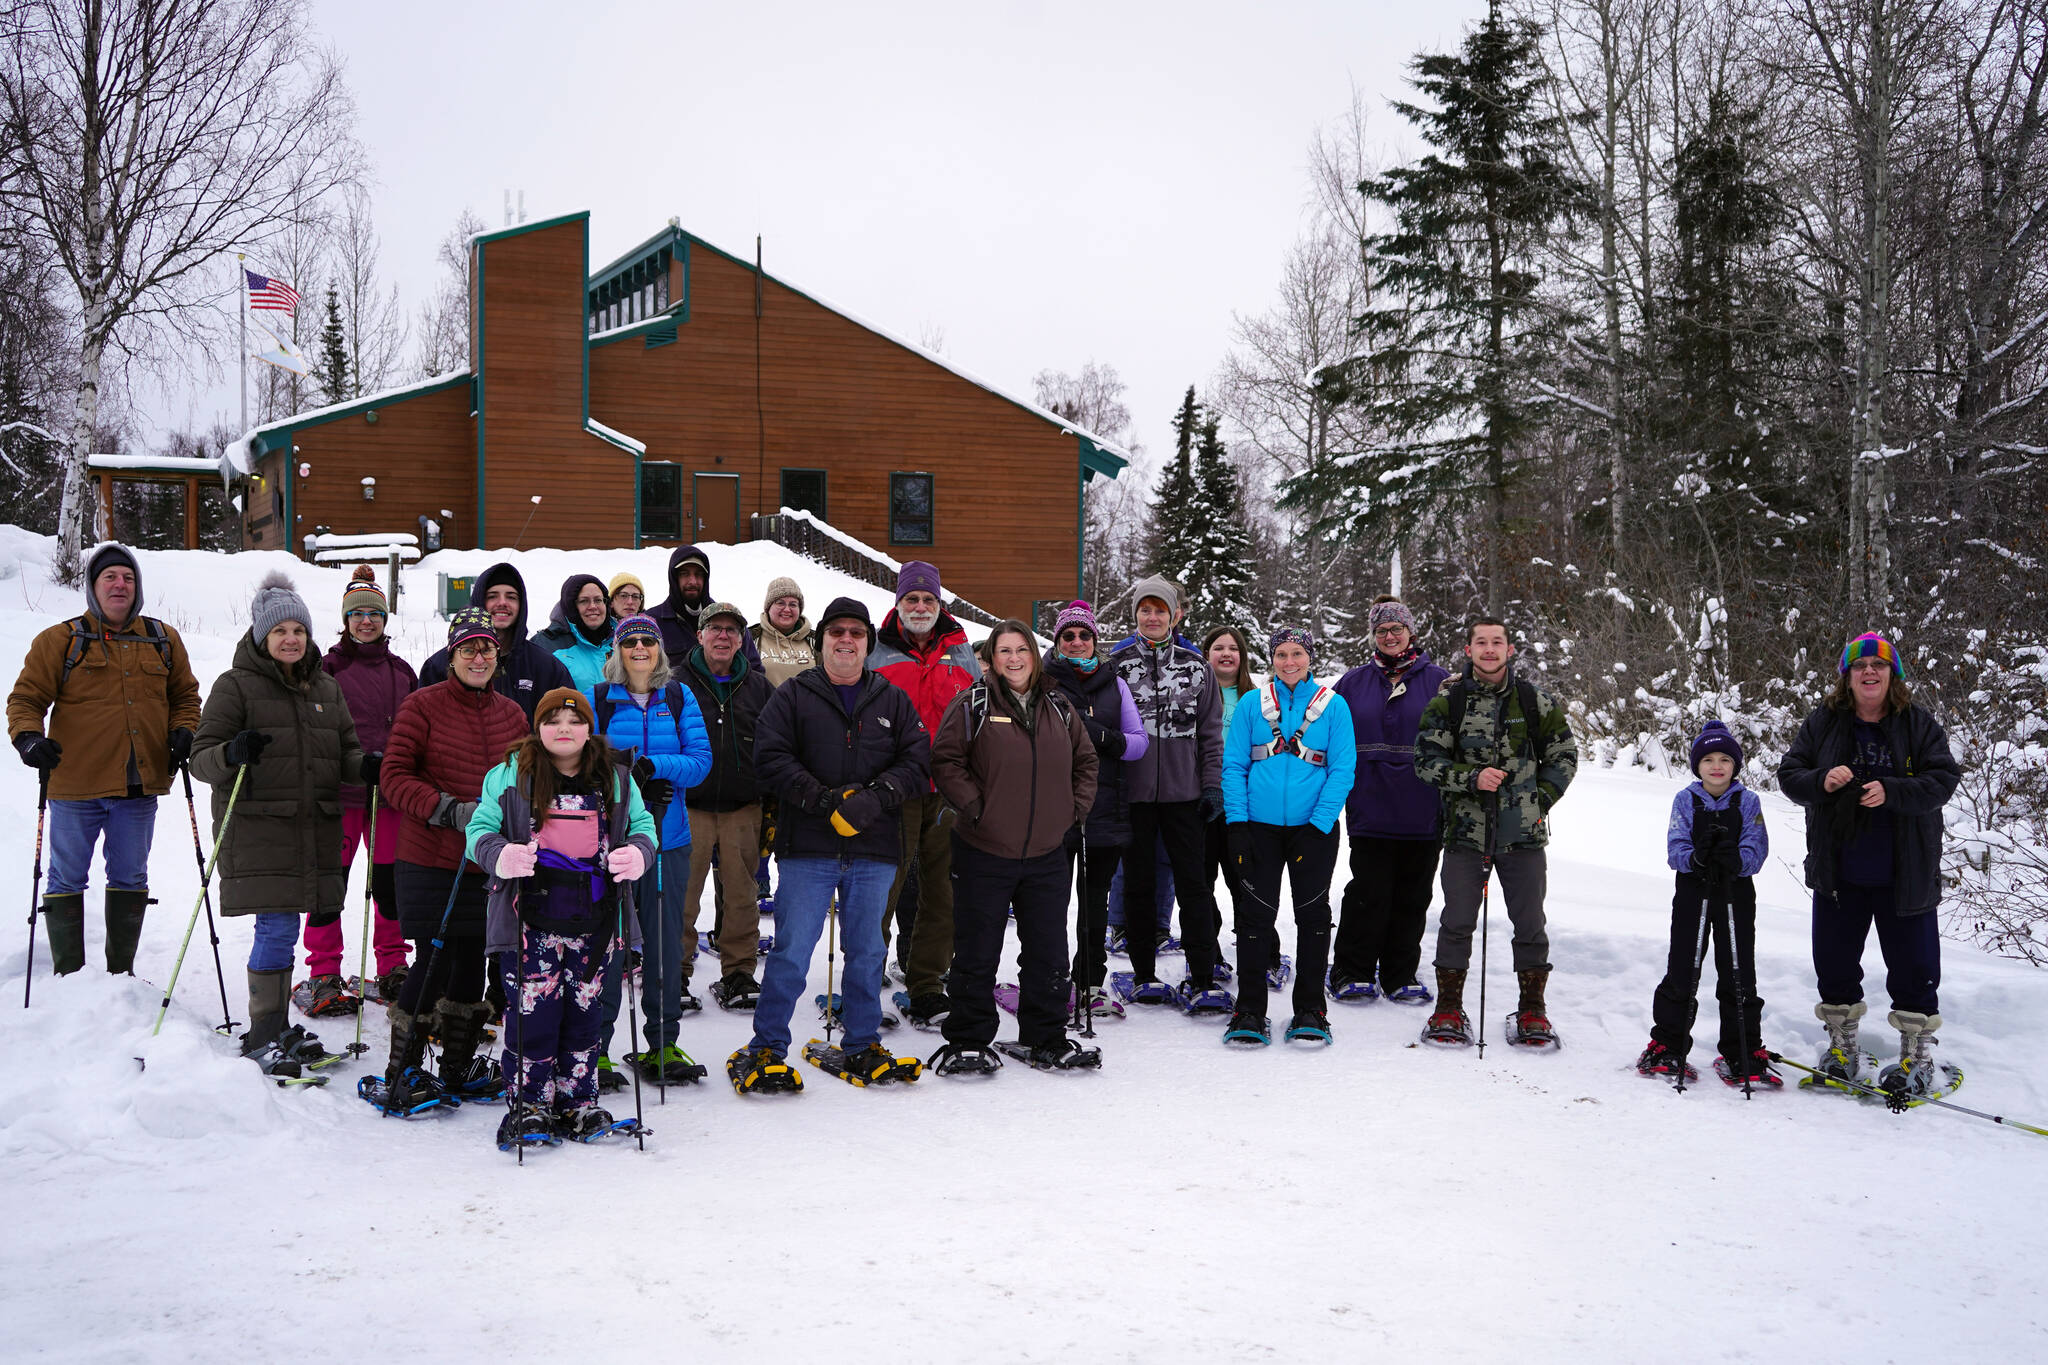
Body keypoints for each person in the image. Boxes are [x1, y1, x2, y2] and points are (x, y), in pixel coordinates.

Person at [733, 597, 930, 1092]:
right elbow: (770, 756)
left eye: (856, 633)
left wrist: (874, 800)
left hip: (875, 847)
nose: (846, 640)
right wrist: (824, 802)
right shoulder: (794, 696)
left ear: (868, 642)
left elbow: (917, 760)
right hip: (809, 847)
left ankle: (861, 1042)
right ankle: (767, 1046)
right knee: (793, 949)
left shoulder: (892, 698)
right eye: (837, 631)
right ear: (821, 640)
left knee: (867, 952)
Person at [188, 573, 364, 1076]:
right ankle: (265, 1029)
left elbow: (345, 751)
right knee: (278, 925)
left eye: (299, 631)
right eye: (281, 630)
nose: (291, 639)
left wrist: (365, 767)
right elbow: (202, 758)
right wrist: (231, 751)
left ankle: (278, 1026)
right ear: (262, 636)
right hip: (260, 830)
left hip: (313, 829)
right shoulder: (234, 685)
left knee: (291, 923)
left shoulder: (326, 687)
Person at [468, 688, 657, 1148]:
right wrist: (500, 854)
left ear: (588, 727)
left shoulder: (616, 777)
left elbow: (643, 826)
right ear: (538, 728)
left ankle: (578, 1101)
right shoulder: (510, 774)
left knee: (585, 1014)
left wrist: (638, 854)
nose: (564, 729)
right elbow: (479, 828)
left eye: (573, 720)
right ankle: (528, 1104)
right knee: (533, 1014)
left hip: (595, 919)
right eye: (552, 721)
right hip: (526, 920)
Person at [1779, 632, 1961, 1097]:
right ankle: (1843, 1049)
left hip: (1906, 874)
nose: (1869, 672)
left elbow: (1943, 780)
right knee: (1835, 965)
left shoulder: (1917, 723)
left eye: (1878, 665)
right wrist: (1822, 779)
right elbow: (1790, 775)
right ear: (1847, 676)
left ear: (1892, 674)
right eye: (1859, 666)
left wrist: (1894, 791)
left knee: (1915, 968)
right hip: (1839, 872)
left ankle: (1917, 1057)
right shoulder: (1824, 722)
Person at [8, 541, 201, 977]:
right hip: (76, 785)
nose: (120, 585)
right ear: (94, 588)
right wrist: (28, 739)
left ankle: (120, 978)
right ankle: (68, 975)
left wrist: (185, 730)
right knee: (66, 880)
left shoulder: (162, 639)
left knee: (131, 879)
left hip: (139, 788)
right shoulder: (61, 639)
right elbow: (25, 698)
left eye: (128, 578)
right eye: (110, 577)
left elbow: (186, 696)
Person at [372, 606, 532, 1112]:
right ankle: (404, 1069)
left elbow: (523, 779)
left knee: (471, 962)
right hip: (431, 856)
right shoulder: (422, 705)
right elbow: (394, 776)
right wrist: (447, 809)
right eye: (468, 648)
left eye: (486, 647)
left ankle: (457, 1066)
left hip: (486, 862)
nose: (479, 656)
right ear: (451, 655)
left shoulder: (511, 714)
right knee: (434, 959)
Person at [929, 620, 1100, 1072]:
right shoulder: (974, 704)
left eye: (1021, 649)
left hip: (1046, 852)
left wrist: (1073, 810)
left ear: (1034, 654)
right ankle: (968, 1036)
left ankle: (1046, 1036)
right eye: (1004, 651)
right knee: (977, 949)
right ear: (993, 658)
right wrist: (976, 808)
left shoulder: (1060, 707)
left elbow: (1085, 761)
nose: (1014, 659)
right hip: (983, 849)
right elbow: (946, 761)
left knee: (1048, 951)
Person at [1413, 618, 1579, 1047]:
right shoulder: (1449, 702)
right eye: (1481, 642)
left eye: (1497, 642)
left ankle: (1533, 1009)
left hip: (1523, 837)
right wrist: (1470, 779)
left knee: (1530, 924)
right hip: (1465, 835)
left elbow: (1563, 755)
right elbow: (1425, 761)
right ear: (1468, 649)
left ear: (1509, 649)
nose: (1489, 650)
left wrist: (1538, 800)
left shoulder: (1534, 700)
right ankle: (1449, 1006)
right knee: (1456, 923)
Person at [587, 612, 713, 1086]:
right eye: (630, 642)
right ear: (616, 651)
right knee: (609, 948)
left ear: (660, 650)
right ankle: (594, 1048)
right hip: (611, 844)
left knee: (662, 945)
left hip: (668, 837)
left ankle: (663, 1043)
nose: (640, 649)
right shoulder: (599, 700)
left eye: (648, 641)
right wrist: (621, 777)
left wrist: (656, 768)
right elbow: (580, 760)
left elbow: (700, 762)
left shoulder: (678, 697)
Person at [1219, 627, 1355, 1046]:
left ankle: (1311, 1009)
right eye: (1281, 654)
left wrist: (1320, 824)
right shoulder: (1250, 705)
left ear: (1309, 658)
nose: (1289, 662)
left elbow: (1342, 769)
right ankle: (1249, 1010)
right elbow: (1234, 766)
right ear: (1271, 659)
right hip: (1258, 827)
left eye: (1297, 653)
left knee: (1313, 916)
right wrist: (1237, 824)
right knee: (1255, 917)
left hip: (1311, 829)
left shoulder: (1333, 707)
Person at [1108, 575, 1228, 1010]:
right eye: (1145, 609)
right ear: (1136, 614)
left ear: (1176, 614)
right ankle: (1143, 973)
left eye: (1161, 609)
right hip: (1132, 797)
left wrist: (1211, 785)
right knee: (1137, 886)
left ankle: (1201, 975)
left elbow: (1211, 734)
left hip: (1185, 796)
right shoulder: (1116, 664)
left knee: (1194, 886)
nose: (1153, 616)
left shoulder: (1197, 667)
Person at [869, 562, 980, 1029]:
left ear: (940, 605)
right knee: (881, 890)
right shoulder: (875, 650)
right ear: (899, 603)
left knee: (942, 892)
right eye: (912, 599)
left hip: (946, 792)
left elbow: (978, 713)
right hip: (893, 789)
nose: (920, 607)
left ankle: (928, 985)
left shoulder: (961, 652)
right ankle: (864, 980)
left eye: (928, 600)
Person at [1329, 597, 1451, 1004]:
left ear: (1410, 632)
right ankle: (1352, 969)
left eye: (1397, 629)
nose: (1390, 636)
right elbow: (1326, 736)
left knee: (1413, 895)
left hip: (1422, 809)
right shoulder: (1352, 683)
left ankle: (1400, 972)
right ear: (1374, 636)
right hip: (1370, 806)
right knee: (1368, 891)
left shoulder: (1440, 681)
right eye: (1382, 630)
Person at [1636, 720, 1772, 1084]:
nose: (1716, 766)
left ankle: (1742, 1048)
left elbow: (1757, 846)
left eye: (1724, 759)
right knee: (1683, 966)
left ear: (1735, 766)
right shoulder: (1686, 799)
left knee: (1738, 969)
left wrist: (1737, 859)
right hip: (1694, 891)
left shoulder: (1748, 800)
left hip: (1735, 893)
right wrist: (1695, 858)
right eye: (1708, 759)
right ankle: (1667, 1044)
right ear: (1697, 765)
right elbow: (1675, 845)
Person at [314, 565, 418, 1014]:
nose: (366, 621)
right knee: (330, 885)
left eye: (374, 612)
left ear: (384, 619)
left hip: (390, 797)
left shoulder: (402, 671)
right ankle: (323, 971)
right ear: (346, 619)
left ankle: (393, 964)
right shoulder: (326, 669)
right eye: (357, 613)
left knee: (391, 884)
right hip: (341, 795)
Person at [1043, 601, 1148, 1019]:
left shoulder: (1113, 683)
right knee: (1048, 900)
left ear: (1094, 640)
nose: (1077, 641)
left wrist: (1100, 737)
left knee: (1094, 902)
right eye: (1068, 635)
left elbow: (1137, 743)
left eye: (1084, 635)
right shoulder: (1043, 680)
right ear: (1058, 641)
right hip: (1052, 808)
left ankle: (1088, 980)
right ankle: (1048, 978)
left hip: (1105, 807)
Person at [676, 601, 773, 1012]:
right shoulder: (674, 683)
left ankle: (738, 973)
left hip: (742, 807)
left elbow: (775, 746)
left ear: (741, 639)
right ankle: (675, 973)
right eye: (714, 628)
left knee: (741, 894)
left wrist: (771, 804)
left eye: (732, 630)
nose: (723, 636)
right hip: (688, 805)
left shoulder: (759, 687)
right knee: (683, 894)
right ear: (699, 635)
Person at [418, 562, 572, 721]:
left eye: (511, 597)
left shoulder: (546, 666)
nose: (502, 603)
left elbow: (568, 725)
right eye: (492, 596)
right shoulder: (439, 665)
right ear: (479, 601)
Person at [1201, 625, 1257, 974]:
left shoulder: (1256, 698)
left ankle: (1261, 951)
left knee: (1246, 883)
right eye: (1218, 647)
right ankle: (1208, 954)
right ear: (1206, 656)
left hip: (1243, 807)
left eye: (1233, 648)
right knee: (1201, 885)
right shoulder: (1196, 695)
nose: (1226, 653)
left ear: (1243, 656)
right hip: (1202, 804)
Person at [649, 543, 762, 670]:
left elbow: (755, 670)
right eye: (685, 574)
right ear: (674, 578)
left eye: (698, 574)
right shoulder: (652, 622)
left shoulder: (730, 619)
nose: (693, 581)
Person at [536, 574, 614, 693]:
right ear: (571, 606)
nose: (593, 606)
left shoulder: (623, 641)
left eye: (598, 600)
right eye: (584, 601)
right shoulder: (545, 645)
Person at [751, 576, 815, 688]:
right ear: (768, 608)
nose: (787, 609)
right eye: (780, 603)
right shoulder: (750, 638)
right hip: (765, 705)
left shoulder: (816, 640)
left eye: (793, 604)